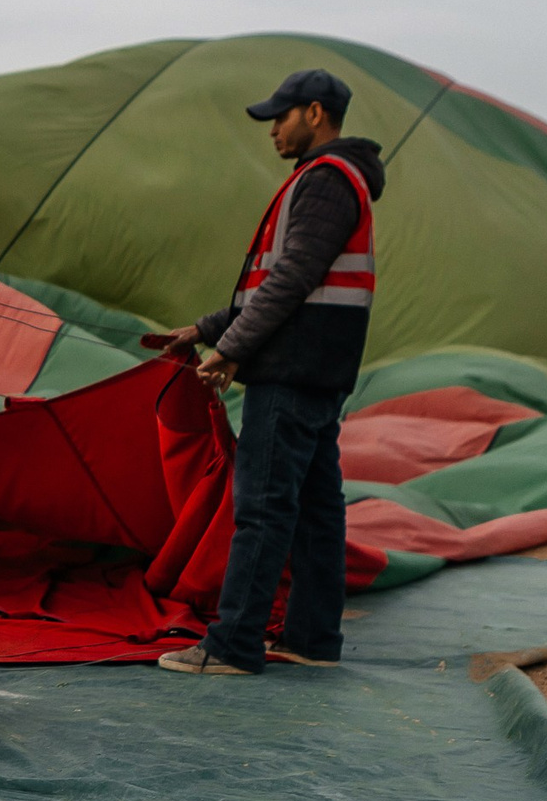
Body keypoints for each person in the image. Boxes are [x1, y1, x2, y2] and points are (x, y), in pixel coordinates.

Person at [149, 68, 385, 676]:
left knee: (261, 508)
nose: (273, 130)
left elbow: (291, 280)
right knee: (313, 510)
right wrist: (203, 329)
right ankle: (311, 639)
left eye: (280, 117)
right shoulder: (331, 180)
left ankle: (232, 645)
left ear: (313, 113)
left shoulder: (327, 181)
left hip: (292, 367)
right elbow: (277, 283)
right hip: (313, 368)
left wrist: (230, 349)